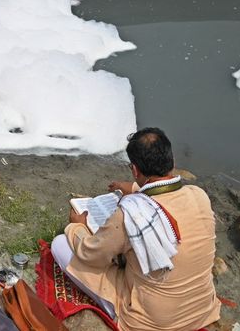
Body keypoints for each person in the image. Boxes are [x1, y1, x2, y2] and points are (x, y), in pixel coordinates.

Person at [50, 128, 220, 331]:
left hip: (152, 322)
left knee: (60, 244)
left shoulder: (130, 214)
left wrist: (77, 226)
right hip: (200, 310)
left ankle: (116, 308)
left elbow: (90, 254)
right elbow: (163, 200)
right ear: (172, 161)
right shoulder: (198, 195)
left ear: (135, 170)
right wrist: (135, 188)